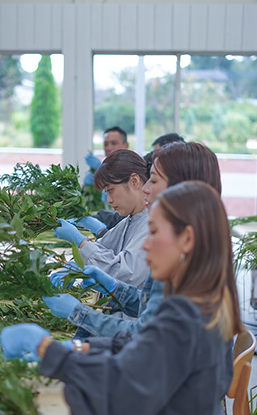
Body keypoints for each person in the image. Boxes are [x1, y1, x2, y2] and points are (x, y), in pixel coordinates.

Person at [0, 180, 241, 415]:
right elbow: (140, 348)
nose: (145, 243)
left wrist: (48, 352)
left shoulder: (179, 316)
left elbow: (119, 402)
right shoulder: (199, 303)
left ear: (187, 239)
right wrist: (80, 348)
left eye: (155, 232)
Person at [47, 141, 221, 340]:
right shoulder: (188, 243)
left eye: (154, 181)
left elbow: (144, 335)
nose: (146, 189)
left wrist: (79, 314)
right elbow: (150, 308)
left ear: (182, 186)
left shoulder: (184, 256)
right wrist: (113, 288)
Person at [51, 149, 149, 289]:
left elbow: (125, 275)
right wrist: (76, 264)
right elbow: (103, 245)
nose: (109, 200)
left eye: (110, 190)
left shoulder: (152, 224)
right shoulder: (131, 219)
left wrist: (80, 242)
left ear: (134, 181)